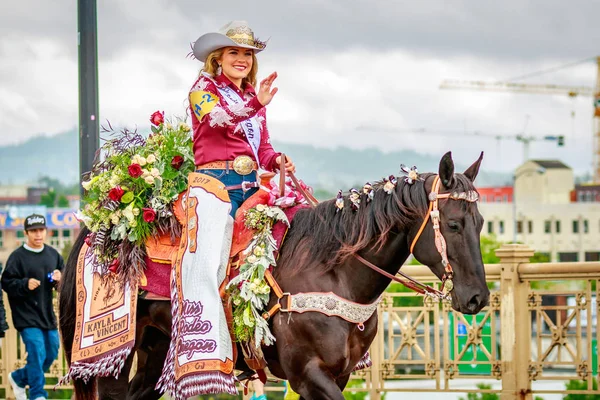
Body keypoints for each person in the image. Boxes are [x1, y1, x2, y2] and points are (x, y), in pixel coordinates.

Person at [189, 20, 295, 217]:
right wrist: (256, 104)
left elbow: (262, 148)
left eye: (248, 54)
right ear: (218, 58)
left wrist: (276, 160)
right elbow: (216, 120)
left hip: (253, 186)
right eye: (233, 52)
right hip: (215, 184)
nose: (242, 59)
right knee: (218, 239)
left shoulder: (251, 97)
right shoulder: (202, 87)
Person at [1, 214, 63, 400]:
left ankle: (19, 377)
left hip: (47, 315)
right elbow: (6, 282)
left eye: (41, 230)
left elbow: (65, 279)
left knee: (51, 352)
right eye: (34, 231)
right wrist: (24, 284)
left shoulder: (53, 255)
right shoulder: (17, 257)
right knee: (36, 351)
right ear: (26, 233)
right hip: (25, 316)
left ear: (46, 231)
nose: (38, 234)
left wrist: (60, 279)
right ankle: (37, 394)